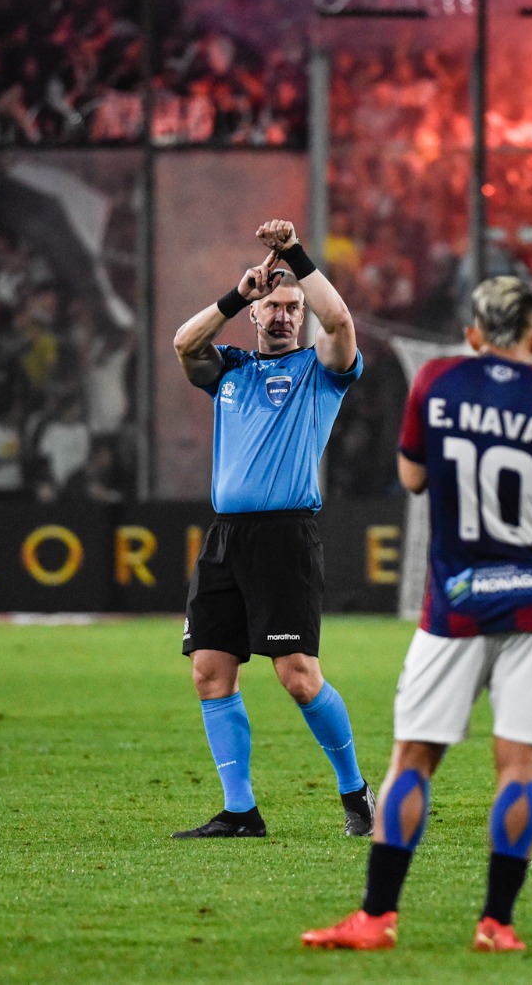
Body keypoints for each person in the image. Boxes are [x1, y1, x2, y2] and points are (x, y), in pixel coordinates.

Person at [302, 275, 532, 952]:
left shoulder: (436, 379)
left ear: (472, 335)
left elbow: (411, 478)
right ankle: (497, 922)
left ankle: (376, 917)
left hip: (453, 603)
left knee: (413, 759)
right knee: (520, 768)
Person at [169, 218, 374, 840]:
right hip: (227, 537)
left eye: (293, 308)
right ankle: (240, 811)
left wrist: (295, 258)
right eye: (273, 307)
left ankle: (356, 791)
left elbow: (340, 323)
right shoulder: (228, 370)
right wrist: (239, 293)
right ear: (256, 315)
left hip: (286, 536)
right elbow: (183, 343)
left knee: (297, 676)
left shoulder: (322, 371)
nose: (284, 316)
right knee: (209, 669)